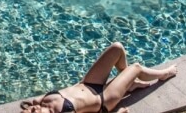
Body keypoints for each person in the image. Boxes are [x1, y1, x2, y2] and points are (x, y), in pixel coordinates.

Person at [21, 42, 177, 113]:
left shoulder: (40, 102)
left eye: (30, 109)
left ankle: (129, 84)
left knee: (117, 48)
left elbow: (32, 104)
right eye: (33, 112)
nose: (33, 108)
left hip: (89, 83)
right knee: (135, 68)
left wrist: (33, 105)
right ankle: (164, 74)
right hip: (104, 99)